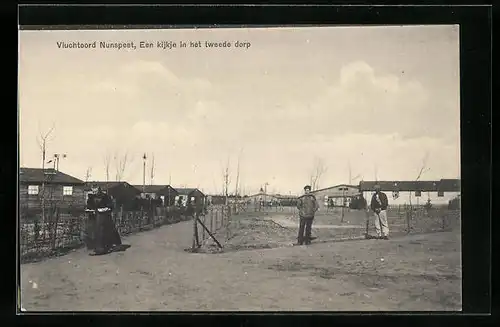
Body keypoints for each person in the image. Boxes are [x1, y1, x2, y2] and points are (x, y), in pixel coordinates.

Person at [85, 186, 129, 255]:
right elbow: (89, 206)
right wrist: (89, 209)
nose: (94, 193)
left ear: (99, 190)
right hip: (94, 217)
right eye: (93, 191)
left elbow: (110, 206)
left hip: (104, 217)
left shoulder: (105, 197)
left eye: (96, 191)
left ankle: (103, 248)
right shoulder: (91, 197)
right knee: (94, 232)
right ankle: (95, 247)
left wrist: (104, 209)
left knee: (104, 232)